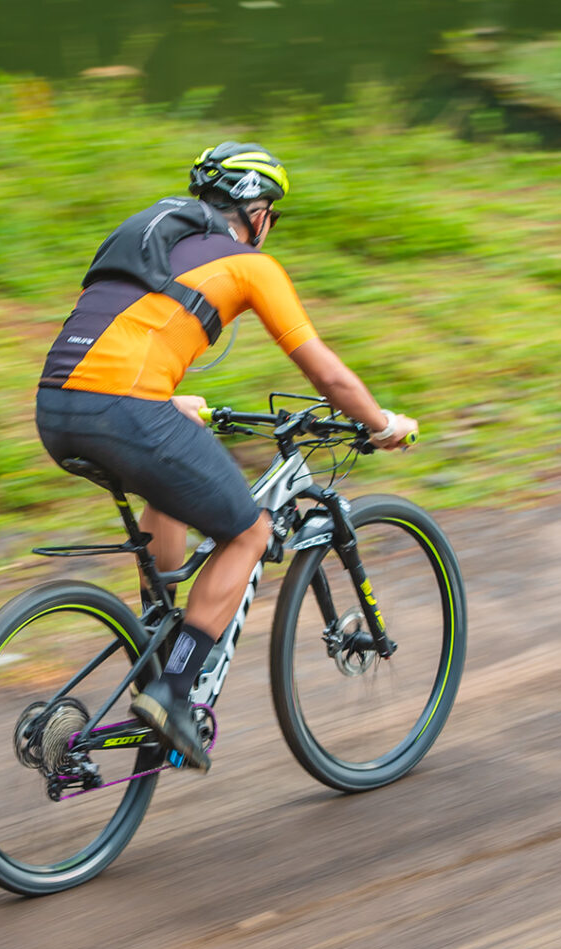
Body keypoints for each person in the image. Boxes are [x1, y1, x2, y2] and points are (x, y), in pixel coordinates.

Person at [35, 141, 417, 772]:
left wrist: (167, 396)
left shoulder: (148, 233)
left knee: (170, 480)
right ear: (260, 211)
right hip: (125, 409)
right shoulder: (249, 265)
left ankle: (157, 635)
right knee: (249, 530)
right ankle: (172, 691)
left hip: (57, 407)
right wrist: (380, 424)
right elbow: (322, 369)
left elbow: (124, 328)